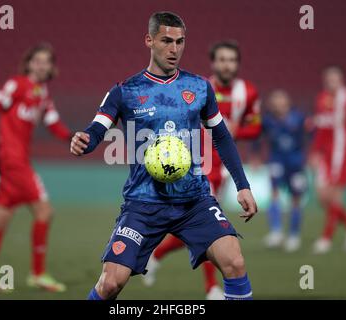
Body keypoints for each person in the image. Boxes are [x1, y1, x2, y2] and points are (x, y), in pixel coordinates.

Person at [71, 11, 258, 300]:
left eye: (180, 42)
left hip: (194, 201)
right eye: (166, 41)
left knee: (235, 261)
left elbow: (221, 135)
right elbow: (98, 128)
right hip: (144, 204)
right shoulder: (125, 91)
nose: (174, 49)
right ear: (149, 40)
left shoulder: (199, 88)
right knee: (110, 284)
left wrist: (242, 185)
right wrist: (85, 139)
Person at [142, 40, 261, 300]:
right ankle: (211, 288)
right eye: (222, 59)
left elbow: (256, 126)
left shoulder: (248, 92)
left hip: (226, 166)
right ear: (213, 63)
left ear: (237, 64)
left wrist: (235, 130)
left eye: (231, 59)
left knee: (205, 227)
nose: (226, 64)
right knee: (209, 227)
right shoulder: (196, 89)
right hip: (197, 166)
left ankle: (155, 255)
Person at [0, 43, 72, 292]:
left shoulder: (43, 93)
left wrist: (73, 138)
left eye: (46, 61)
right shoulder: (16, 84)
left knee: (0, 219)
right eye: (37, 60)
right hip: (12, 159)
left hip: (14, 161)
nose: (41, 64)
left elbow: (53, 124)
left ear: (51, 67)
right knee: (45, 212)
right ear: (28, 64)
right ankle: (38, 274)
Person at [310, 65, 346, 254]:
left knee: (334, 195)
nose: (331, 82)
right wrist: (315, 151)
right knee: (322, 197)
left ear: (341, 80)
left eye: (334, 79)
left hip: (342, 153)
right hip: (326, 155)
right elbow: (321, 129)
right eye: (328, 79)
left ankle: (326, 239)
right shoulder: (321, 98)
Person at [260, 89, 308, 252]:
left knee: (296, 199)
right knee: (274, 193)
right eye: (274, 100)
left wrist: (314, 154)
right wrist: (254, 155)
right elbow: (258, 137)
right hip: (277, 160)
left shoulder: (299, 118)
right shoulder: (268, 120)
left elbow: (310, 135)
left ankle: (294, 235)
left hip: (296, 163)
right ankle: (276, 231)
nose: (277, 103)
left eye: (280, 100)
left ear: (287, 102)